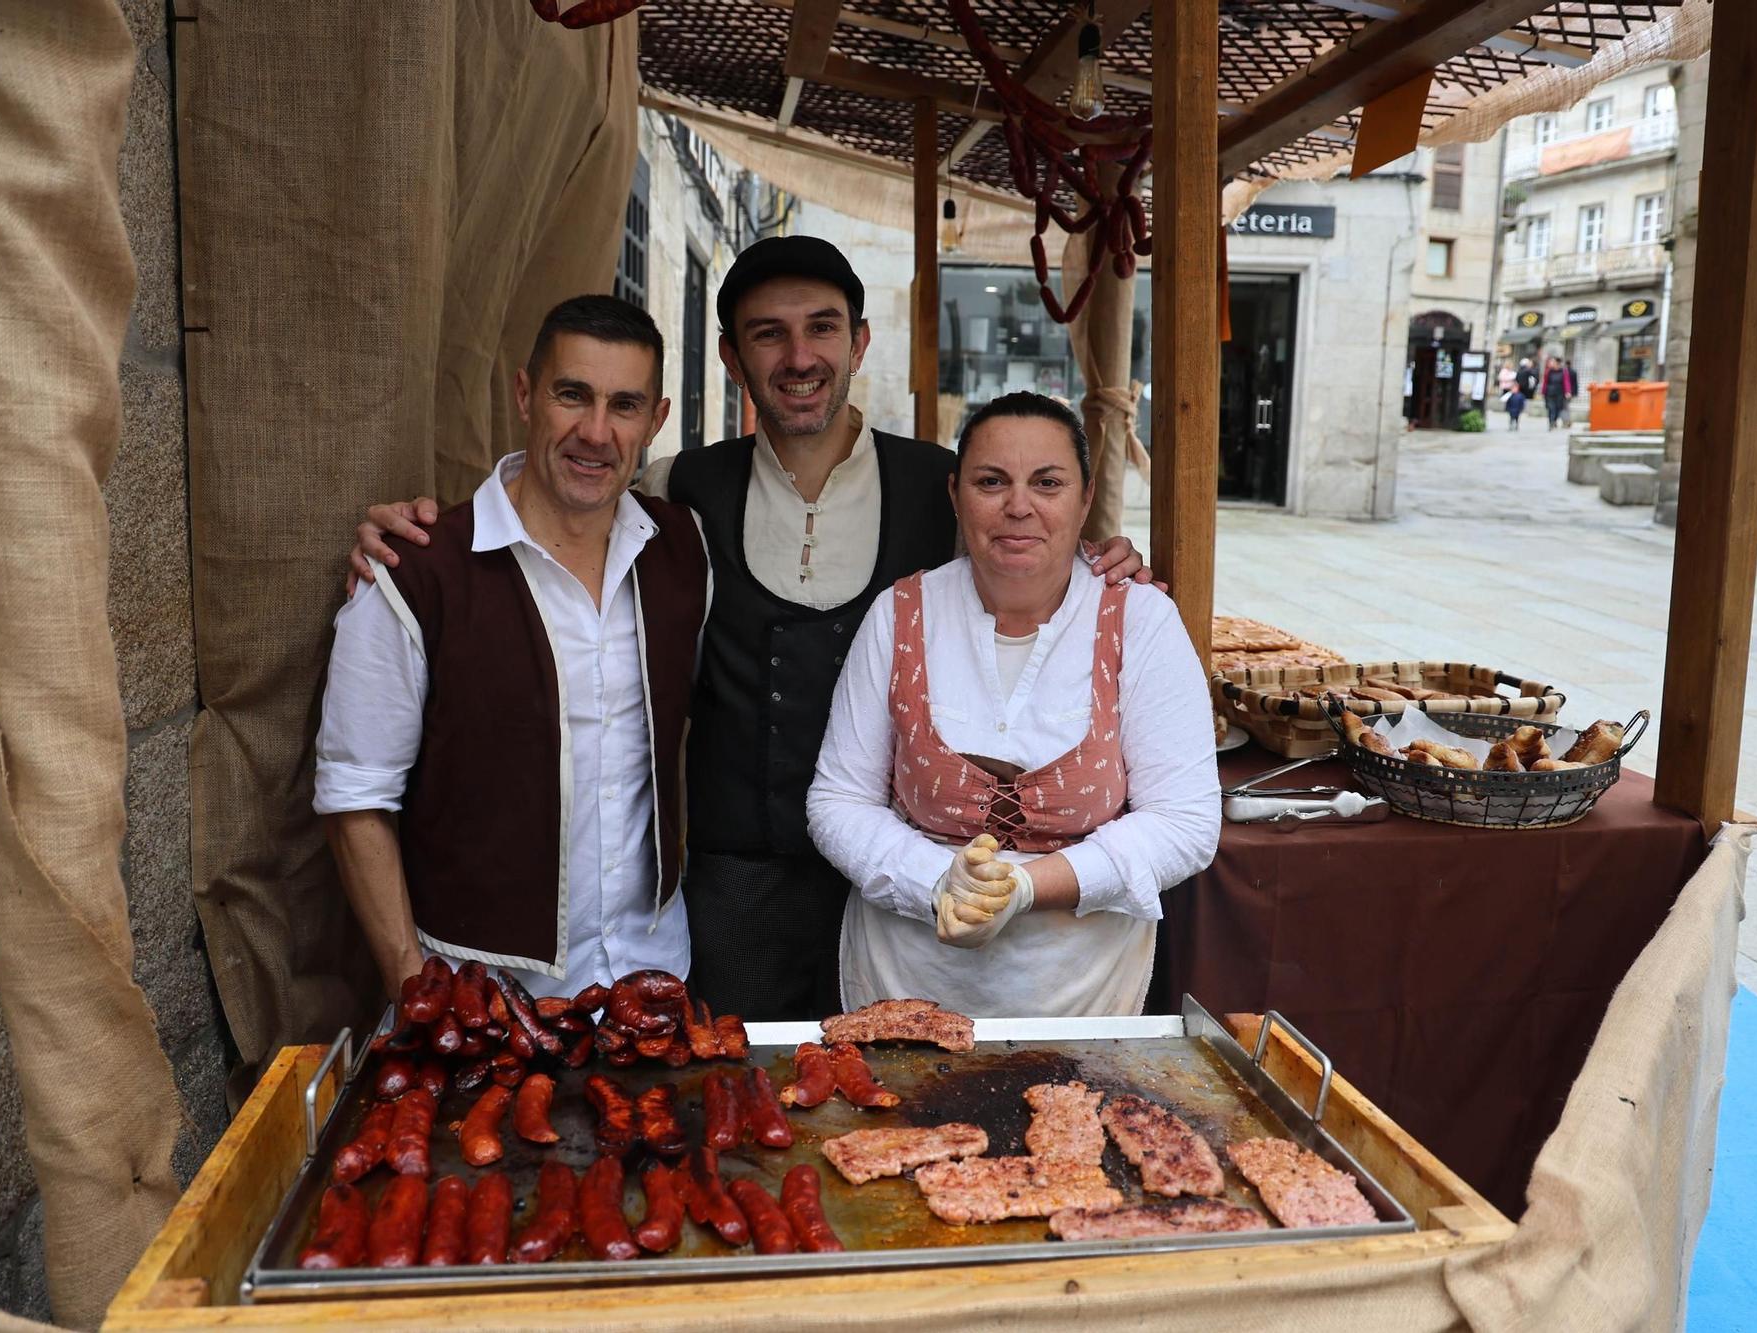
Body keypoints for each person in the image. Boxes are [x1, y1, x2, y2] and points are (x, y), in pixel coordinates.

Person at [347, 237, 1151, 1020]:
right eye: (769, 334)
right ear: (732, 360)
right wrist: (425, 530)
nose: (799, 356)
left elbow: (1028, 559)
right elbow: (566, 492)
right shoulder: (678, 491)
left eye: (823, 327)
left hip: (899, 880)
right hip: (731, 892)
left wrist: (1104, 561)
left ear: (860, 341)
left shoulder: (943, 486)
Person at [314, 295, 708, 1001]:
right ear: (524, 394)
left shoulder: (685, 551)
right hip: (483, 996)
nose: (595, 432)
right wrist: (416, 991)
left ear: (656, 421)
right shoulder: (416, 572)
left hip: (654, 979)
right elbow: (355, 800)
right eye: (571, 395)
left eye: (624, 405)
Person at [805, 392, 1220, 1017]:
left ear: (1085, 500)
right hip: (906, 977)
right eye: (991, 481)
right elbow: (837, 801)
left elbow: (1185, 823)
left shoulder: (1141, 622)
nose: (1018, 506)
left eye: (1047, 483)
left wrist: (1025, 887)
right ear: (956, 495)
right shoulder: (899, 615)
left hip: (1081, 987)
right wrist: (937, 882)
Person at [1541, 354, 1576, 430]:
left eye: (1552, 362)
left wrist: (1568, 392)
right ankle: (1551, 422)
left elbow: (1566, 382)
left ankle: (1554, 420)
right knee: (1551, 408)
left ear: (1557, 363)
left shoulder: (1563, 371)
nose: (1551, 364)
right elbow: (1545, 382)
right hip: (1550, 393)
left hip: (1559, 393)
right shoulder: (1548, 371)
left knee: (1558, 408)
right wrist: (1543, 391)